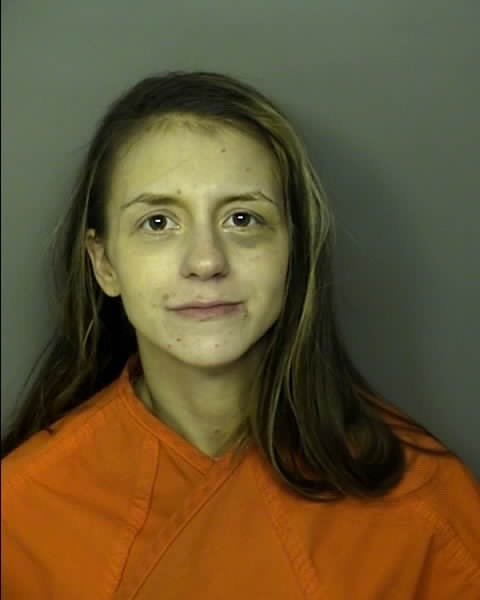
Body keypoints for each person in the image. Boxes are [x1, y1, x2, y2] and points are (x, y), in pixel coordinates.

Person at [1, 70, 479, 599]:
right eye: (158, 222)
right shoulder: (19, 514)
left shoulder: (422, 501)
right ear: (105, 263)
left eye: (243, 219)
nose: (206, 261)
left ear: (293, 251)